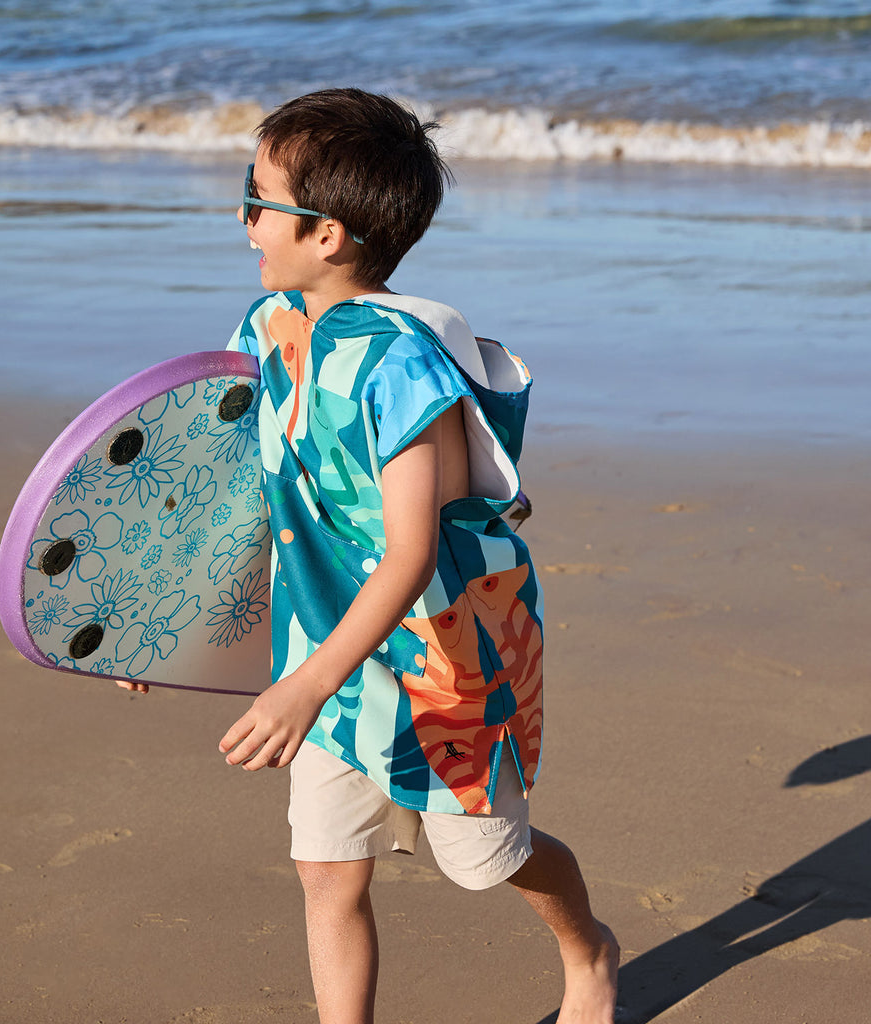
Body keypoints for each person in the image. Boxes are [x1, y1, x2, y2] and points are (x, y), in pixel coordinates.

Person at [126, 87, 618, 1024]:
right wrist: (163, 615)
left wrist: (303, 687)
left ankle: (588, 949)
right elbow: (241, 494)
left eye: (259, 197)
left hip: (445, 647)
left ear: (330, 236)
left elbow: (409, 553)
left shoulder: (400, 368)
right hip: (323, 637)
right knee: (326, 869)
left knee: (485, 860)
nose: (244, 218)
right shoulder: (262, 333)